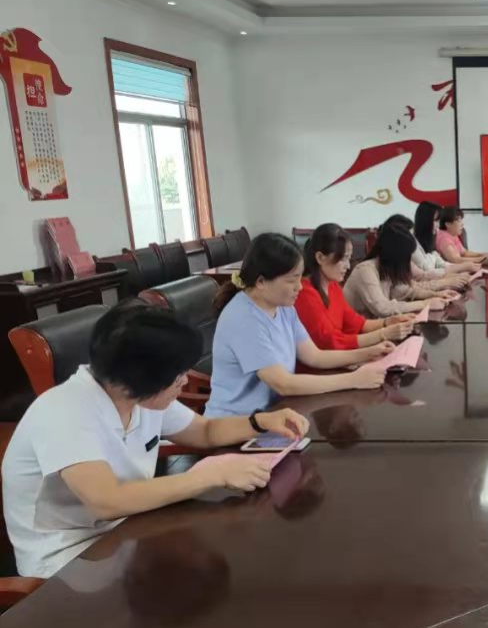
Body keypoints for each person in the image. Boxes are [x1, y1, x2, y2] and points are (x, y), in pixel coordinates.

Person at [1, 304, 312, 578]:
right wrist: (211, 476)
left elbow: (204, 431)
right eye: (178, 374)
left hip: (129, 530)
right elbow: (106, 500)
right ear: (142, 377)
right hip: (66, 560)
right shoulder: (64, 411)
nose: (185, 381)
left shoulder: (137, 395)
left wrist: (260, 422)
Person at [206, 233, 393, 418]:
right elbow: (283, 384)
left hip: (275, 414)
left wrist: (369, 353)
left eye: (299, 278)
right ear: (261, 282)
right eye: (291, 280)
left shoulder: (284, 307)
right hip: (238, 423)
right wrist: (353, 380)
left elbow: (314, 356)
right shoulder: (243, 318)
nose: (300, 287)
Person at [295, 223, 417, 351]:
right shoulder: (305, 293)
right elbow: (331, 342)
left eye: (349, 258)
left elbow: (358, 323)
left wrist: (387, 322)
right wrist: (383, 334)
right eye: (343, 258)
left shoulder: (333, 286)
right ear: (320, 258)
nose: (348, 266)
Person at [345, 223, 455, 317]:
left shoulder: (387, 270)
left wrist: (434, 295)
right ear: (396, 254)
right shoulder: (365, 270)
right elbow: (383, 308)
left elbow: (407, 291)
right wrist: (425, 304)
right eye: (406, 256)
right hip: (357, 332)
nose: (408, 262)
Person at [384, 214, 471, 291]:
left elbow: (422, 276)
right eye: (435, 221)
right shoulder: (386, 262)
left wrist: (449, 277)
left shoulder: (403, 256)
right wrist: (446, 281)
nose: (438, 225)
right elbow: (404, 290)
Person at [413, 201, 481, 277]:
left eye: (438, 221)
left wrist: (465, 267)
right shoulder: (413, 244)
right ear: (425, 221)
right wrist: (465, 266)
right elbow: (427, 270)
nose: (438, 225)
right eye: (435, 221)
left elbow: (441, 263)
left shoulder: (431, 239)